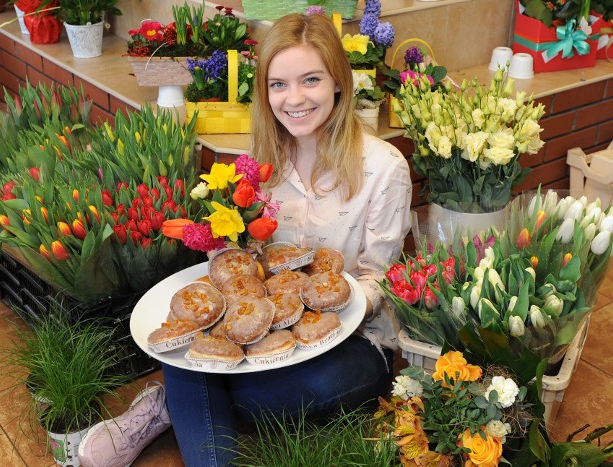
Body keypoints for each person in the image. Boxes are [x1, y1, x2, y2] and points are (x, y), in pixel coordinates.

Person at [78, 12, 412, 467]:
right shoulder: (257, 166)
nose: (294, 99)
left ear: (338, 81)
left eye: (310, 80)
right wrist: (226, 248)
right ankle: (187, 403)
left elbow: (382, 278)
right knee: (197, 346)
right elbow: (245, 266)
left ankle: (170, 404)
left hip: (355, 343)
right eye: (278, 84)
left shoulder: (384, 167)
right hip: (261, 337)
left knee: (247, 384)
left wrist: (319, 304)